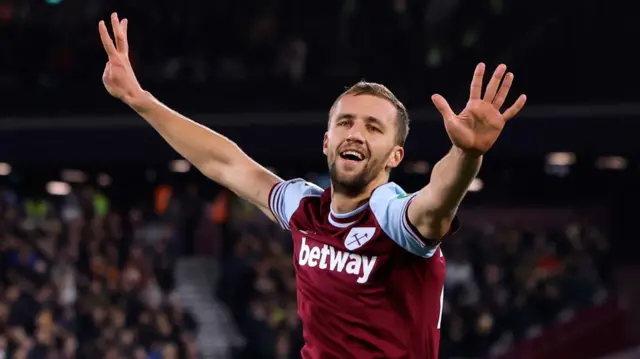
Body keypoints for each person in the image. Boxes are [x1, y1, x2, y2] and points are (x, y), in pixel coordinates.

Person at [98, 13, 527, 358]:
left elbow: (436, 202)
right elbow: (225, 162)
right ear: (327, 143)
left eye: (374, 127)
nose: (355, 133)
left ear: (396, 156)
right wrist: (141, 100)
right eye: (345, 122)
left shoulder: (394, 217)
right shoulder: (305, 207)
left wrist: (467, 155)